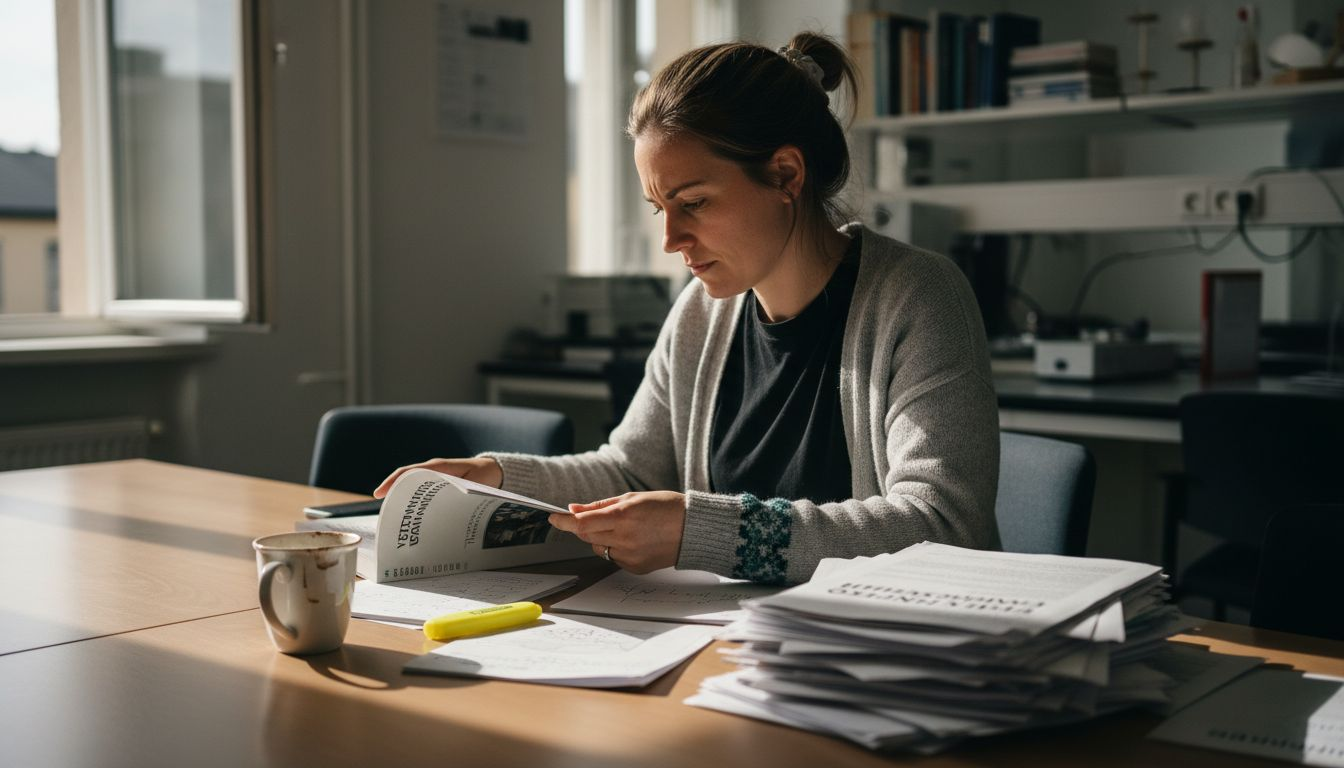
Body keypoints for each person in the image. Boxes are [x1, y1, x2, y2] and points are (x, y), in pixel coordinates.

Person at [375, 32, 1000, 585]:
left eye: (693, 203)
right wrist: (500, 482)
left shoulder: (918, 297)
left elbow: (942, 524)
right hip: (735, 649)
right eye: (658, 208)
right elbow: (632, 471)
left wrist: (703, 530)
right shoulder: (701, 313)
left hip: (887, 661)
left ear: (786, 174)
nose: (670, 238)